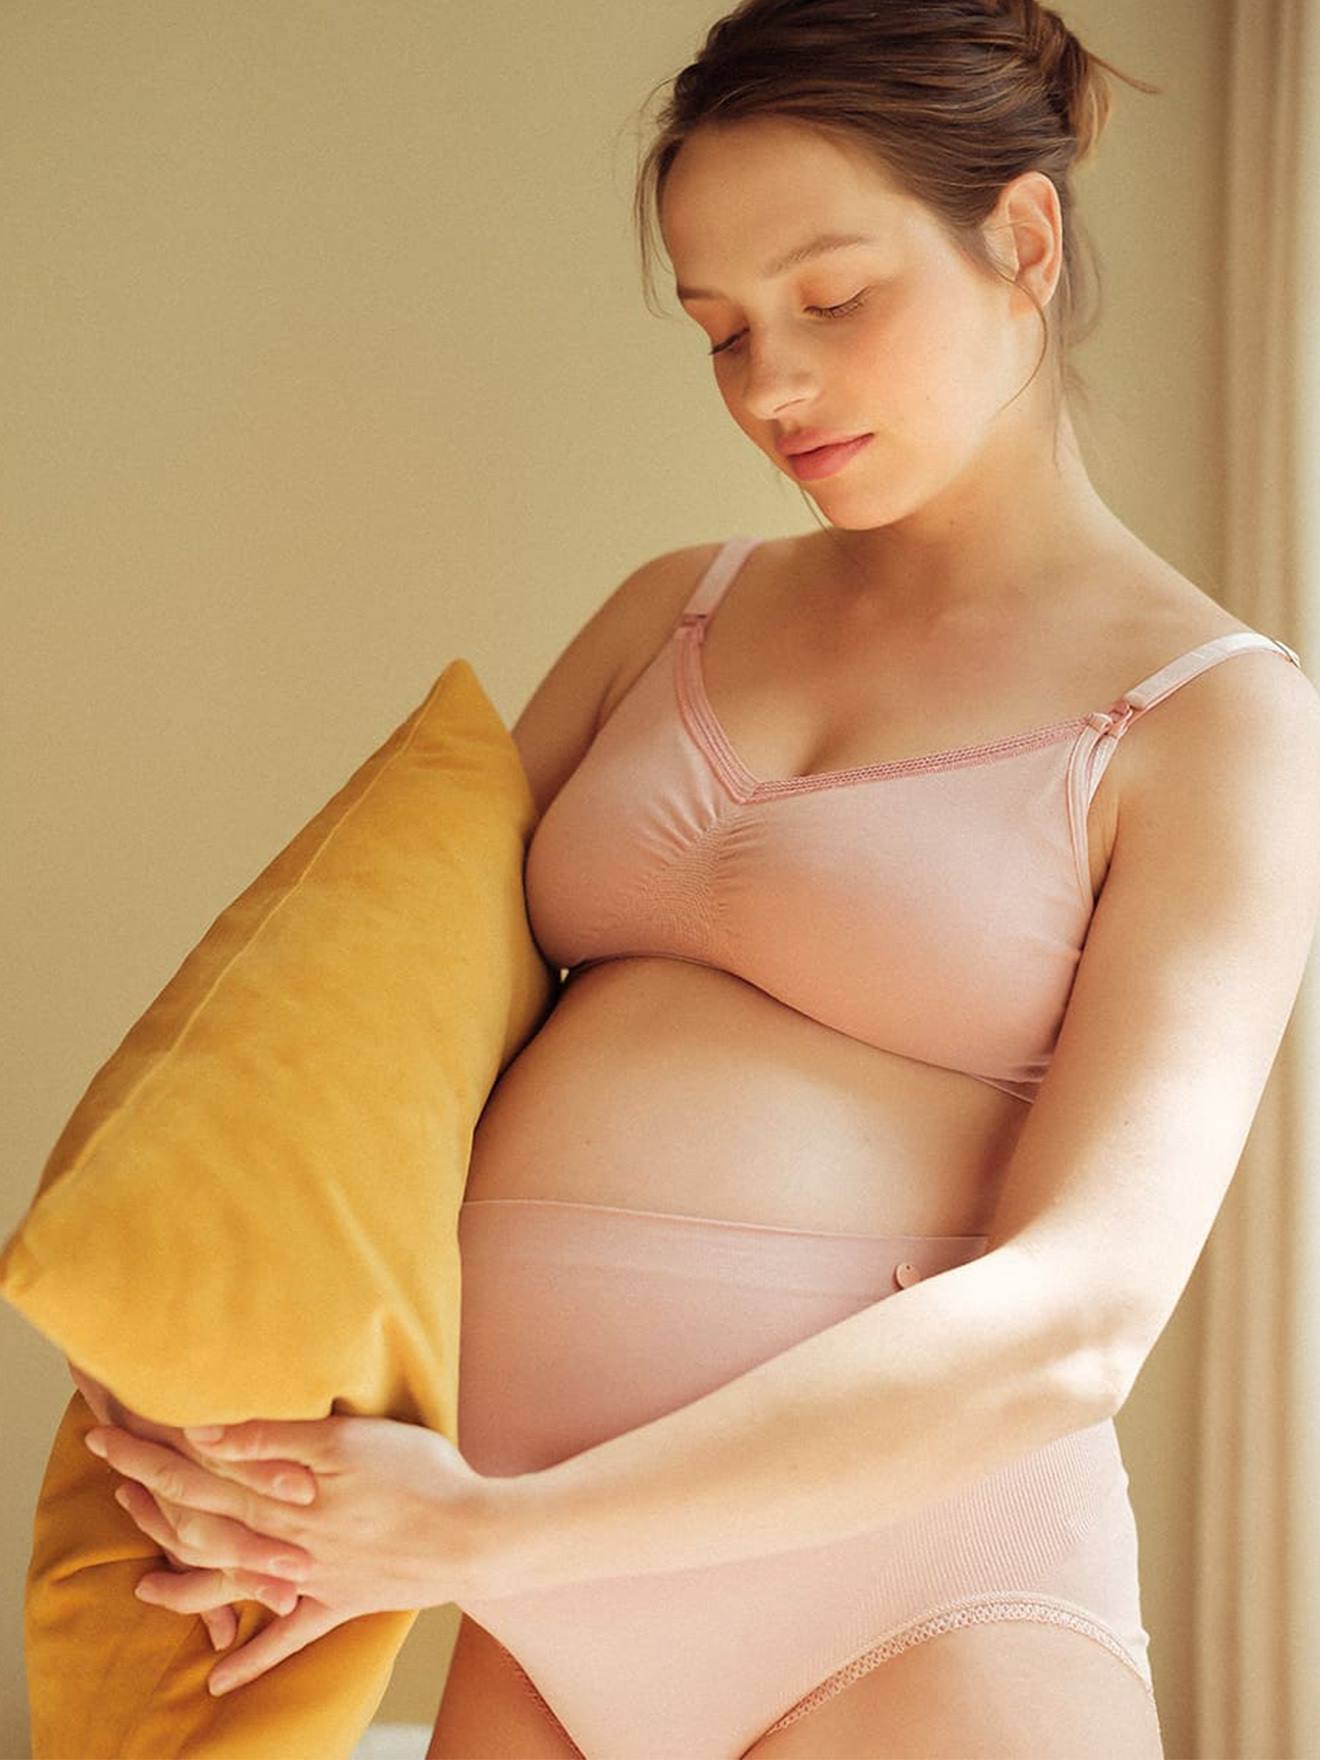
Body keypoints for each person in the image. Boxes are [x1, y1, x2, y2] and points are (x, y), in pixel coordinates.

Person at [78, 3, 1320, 1756]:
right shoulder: (675, 604)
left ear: (1022, 240)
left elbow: (1080, 1316)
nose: (772, 388)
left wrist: (483, 1531)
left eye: (835, 300)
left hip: (915, 1606)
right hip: (524, 1609)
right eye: (721, 330)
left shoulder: (1220, 722)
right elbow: (374, 1039)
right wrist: (198, 1339)